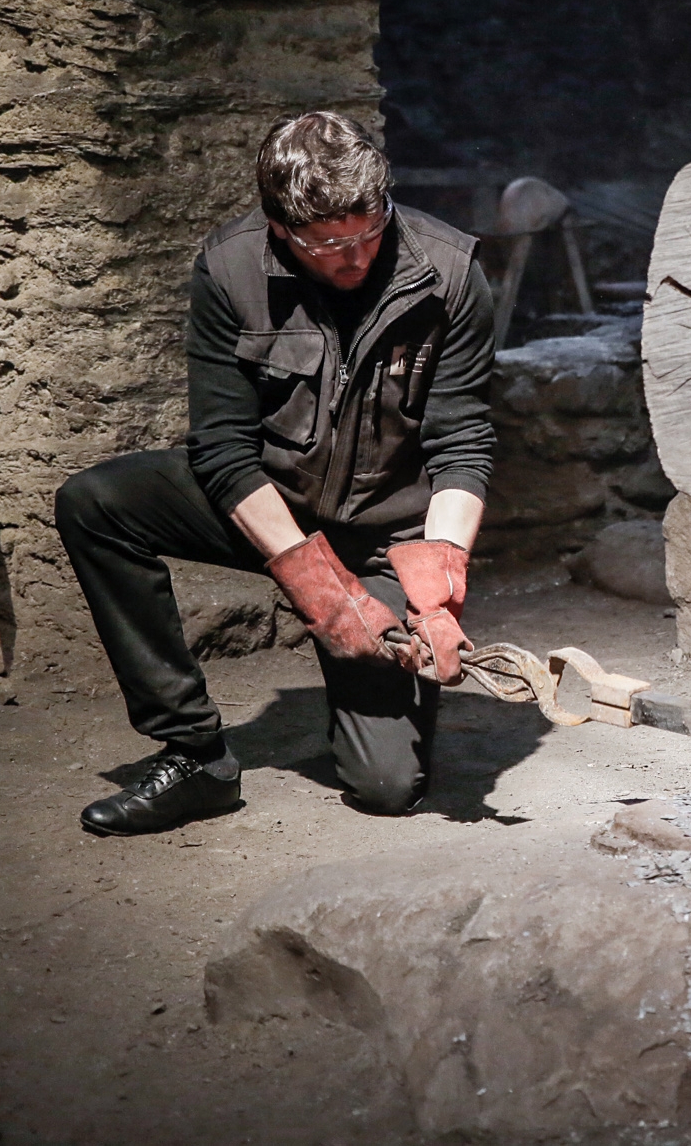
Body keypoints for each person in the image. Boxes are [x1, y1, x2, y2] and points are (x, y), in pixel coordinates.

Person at [54, 111, 494, 835]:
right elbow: (221, 448)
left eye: (367, 231)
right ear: (281, 228)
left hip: (387, 528)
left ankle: (381, 702)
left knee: (386, 786)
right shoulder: (229, 268)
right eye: (329, 245)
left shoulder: (450, 274)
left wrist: (438, 588)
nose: (354, 258)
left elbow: (462, 439)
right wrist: (315, 584)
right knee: (95, 504)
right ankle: (194, 753)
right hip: (268, 501)